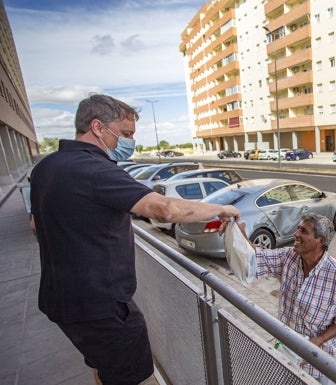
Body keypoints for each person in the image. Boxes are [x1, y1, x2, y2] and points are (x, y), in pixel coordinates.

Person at [29, 94, 240, 385]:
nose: (129, 142)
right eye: (126, 134)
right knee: (137, 377)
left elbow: (34, 223)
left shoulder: (46, 167)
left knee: (106, 368)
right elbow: (164, 208)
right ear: (98, 127)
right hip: (102, 308)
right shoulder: (96, 170)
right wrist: (221, 208)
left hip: (60, 300)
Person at [230, 213, 336, 384]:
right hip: (288, 352)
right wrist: (240, 233)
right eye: (298, 229)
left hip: (319, 361)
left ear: (321, 240)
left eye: (303, 231)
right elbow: (256, 257)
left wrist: (318, 341)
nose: (296, 234)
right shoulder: (289, 257)